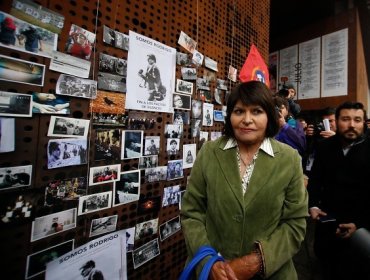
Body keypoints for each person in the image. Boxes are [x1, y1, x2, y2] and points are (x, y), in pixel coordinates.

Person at [181, 81, 308, 279]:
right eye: (239, 111)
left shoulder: (289, 159)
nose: (247, 119)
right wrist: (209, 262)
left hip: (272, 273)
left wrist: (257, 261)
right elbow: (192, 213)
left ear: (269, 116)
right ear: (230, 115)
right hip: (214, 271)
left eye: (256, 111)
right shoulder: (209, 152)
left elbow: (295, 222)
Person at [307, 101, 370, 279]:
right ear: (336, 121)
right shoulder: (325, 147)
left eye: (357, 120)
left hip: (361, 227)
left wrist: (359, 223)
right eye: (346, 119)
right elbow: (315, 180)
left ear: (363, 122)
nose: (351, 124)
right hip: (328, 223)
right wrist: (312, 205)